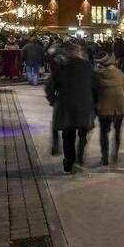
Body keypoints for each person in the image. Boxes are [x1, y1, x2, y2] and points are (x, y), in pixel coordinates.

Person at [45, 42, 96, 174]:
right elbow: (97, 87)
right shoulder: (88, 67)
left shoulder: (62, 67)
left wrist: (53, 101)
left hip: (66, 106)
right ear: (81, 54)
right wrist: (95, 104)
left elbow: (49, 87)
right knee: (83, 133)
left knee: (68, 135)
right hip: (85, 106)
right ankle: (79, 156)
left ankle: (69, 160)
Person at [93, 51, 124, 166]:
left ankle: (105, 157)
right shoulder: (119, 73)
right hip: (119, 108)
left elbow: (94, 92)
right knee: (117, 132)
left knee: (104, 133)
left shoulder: (97, 75)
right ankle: (115, 155)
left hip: (104, 109)